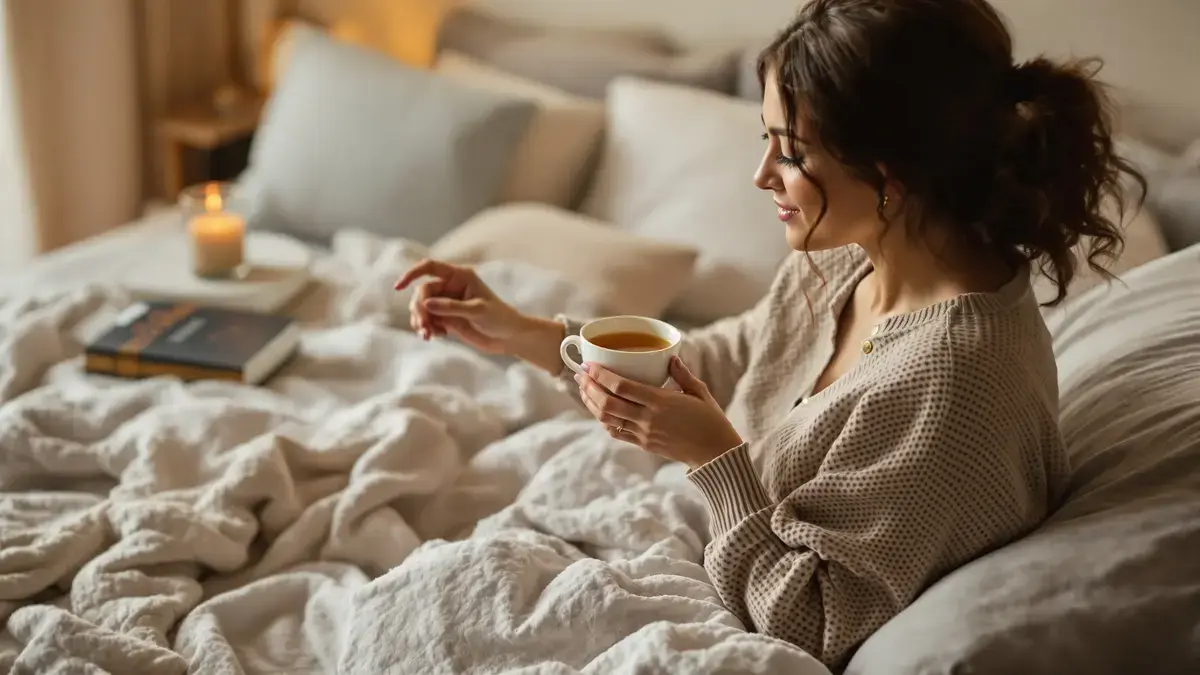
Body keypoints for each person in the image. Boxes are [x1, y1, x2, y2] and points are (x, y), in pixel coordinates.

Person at [395, 0, 1145, 667]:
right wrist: (521, 330)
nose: (761, 175)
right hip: (698, 538)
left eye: (790, 152)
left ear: (891, 172)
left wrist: (713, 458)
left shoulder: (953, 379)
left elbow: (816, 624)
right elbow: (730, 359)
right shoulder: (854, 262)